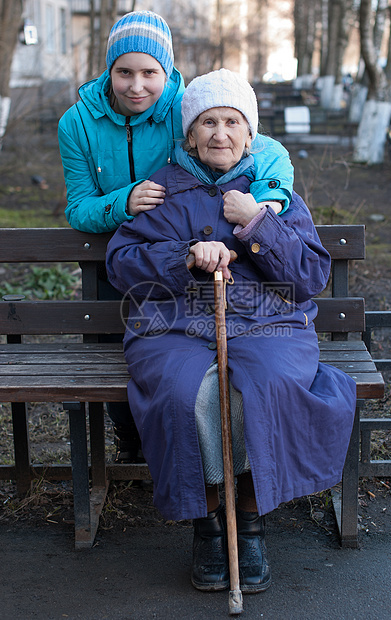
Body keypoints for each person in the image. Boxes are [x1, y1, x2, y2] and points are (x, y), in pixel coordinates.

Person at [105, 68, 357, 594]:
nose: (220, 133)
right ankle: (210, 524)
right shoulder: (166, 190)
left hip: (270, 323)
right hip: (175, 325)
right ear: (191, 134)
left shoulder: (272, 193)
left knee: (262, 390)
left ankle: (252, 521)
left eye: (232, 122)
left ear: (250, 134)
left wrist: (257, 225)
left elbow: (310, 276)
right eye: (208, 122)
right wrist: (184, 255)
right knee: (184, 394)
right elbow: (122, 261)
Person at [58, 10, 294, 462]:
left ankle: (192, 459)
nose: (137, 86)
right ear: (108, 70)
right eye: (124, 72)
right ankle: (135, 449)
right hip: (128, 249)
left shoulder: (187, 107)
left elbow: (260, 145)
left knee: (182, 356)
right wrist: (124, 201)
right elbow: (78, 206)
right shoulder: (78, 122)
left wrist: (267, 200)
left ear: (167, 73)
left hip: (186, 249)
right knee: (130, 362)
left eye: (150, 73)